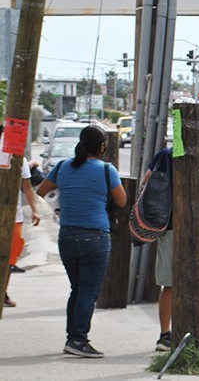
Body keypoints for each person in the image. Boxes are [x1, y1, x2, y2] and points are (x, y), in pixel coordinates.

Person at [36, 125, 127, 358]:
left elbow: (42, 190)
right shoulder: (107, 170)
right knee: (88, 291)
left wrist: (63, 205)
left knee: (77, 289)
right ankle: (78, 339)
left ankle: (72, 338)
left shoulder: (63, 166)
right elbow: (122, 200)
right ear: (103, 146)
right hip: (95, 237)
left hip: (67, 235)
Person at [143, 146, 199, 351]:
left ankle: (165, 336)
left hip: (169, 229)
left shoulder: (164, 156)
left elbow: (146, 185)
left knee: (170, 286)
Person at [5, 157, 41, 307]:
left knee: (9, 258)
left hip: (13, 217)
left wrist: (35, 210)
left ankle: (3, 292)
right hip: (13, 217)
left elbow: (27, 186)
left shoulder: (18, 156)